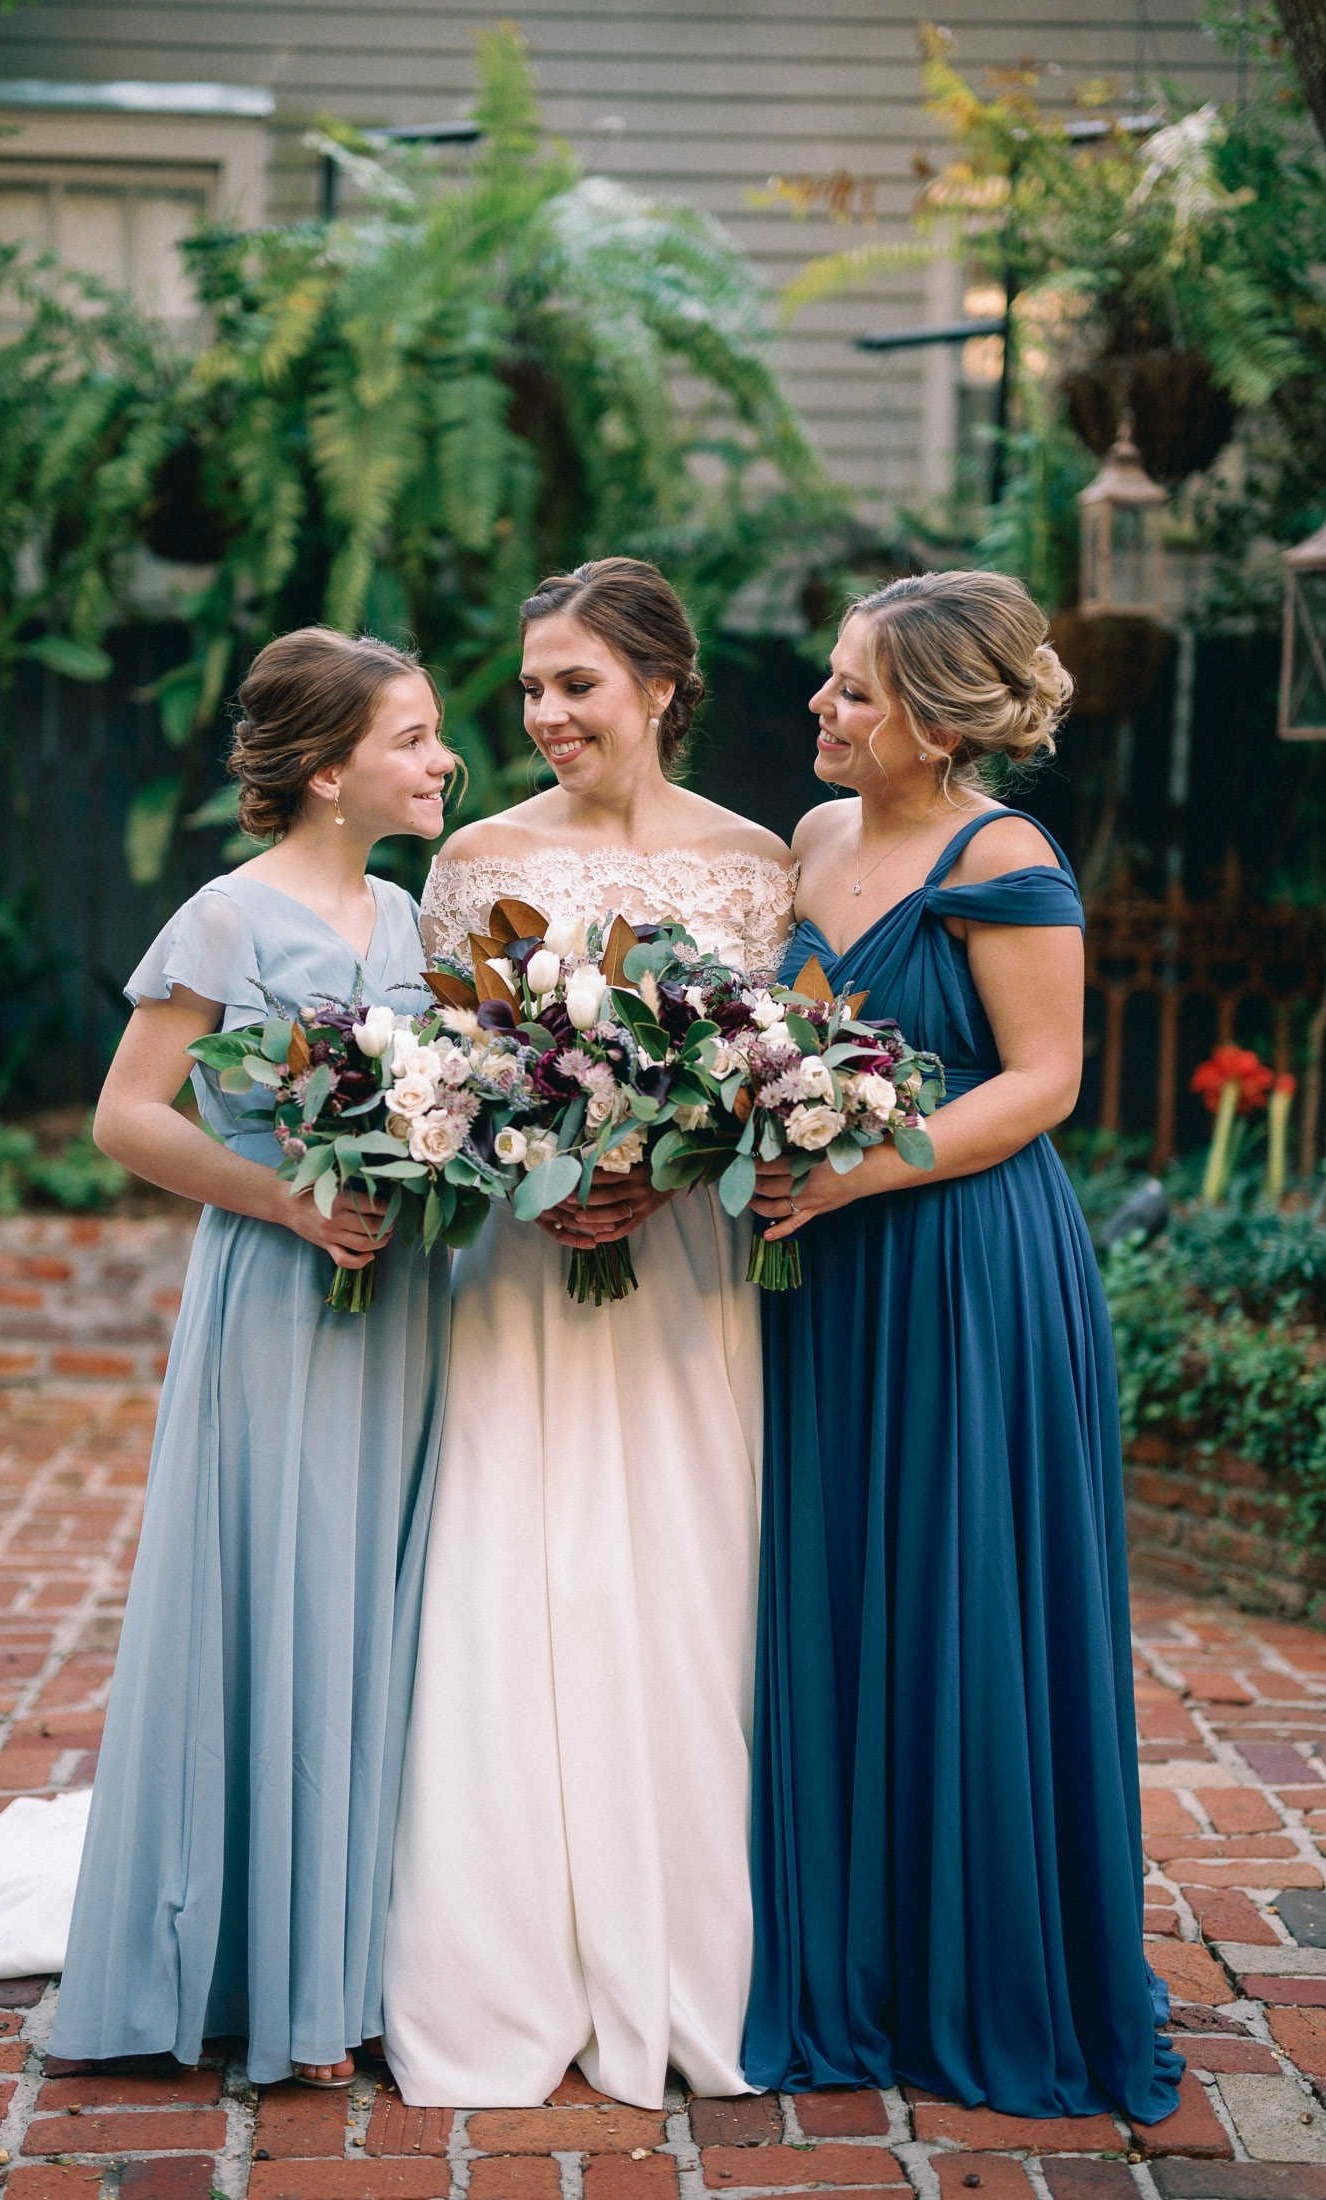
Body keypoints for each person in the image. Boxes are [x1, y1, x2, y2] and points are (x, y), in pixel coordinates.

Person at [741, 569, 1183, 2122]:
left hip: (961, 1261)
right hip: (824, 1271)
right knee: (840, 1580)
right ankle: (850, 1934)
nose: (820, 707)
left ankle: (977, 1961)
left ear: (933, 721)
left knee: (957, 1582)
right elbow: (790, 1035)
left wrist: (855, 1168)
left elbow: (1042, 1084)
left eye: (852, 691)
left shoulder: (1008, 856)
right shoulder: (813, 841)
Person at [382, 557, 795, 2108]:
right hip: (518, 1266)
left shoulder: (759, 866)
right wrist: (529, 1160)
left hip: (685, 1275)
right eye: (532, 686)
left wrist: (659, 1161)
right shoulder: (477, 857)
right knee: (516, 1571)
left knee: (685, 1583)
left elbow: (768, 1072)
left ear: (662, 687)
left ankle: (686, 1947)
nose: (544, 714)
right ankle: (497, 1957)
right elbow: (433, 1072)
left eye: (578, 686)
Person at [49, 629, 458, 2088]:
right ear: (327, 769)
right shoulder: (228, 917)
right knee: (274, 1592)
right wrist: (295, 1198)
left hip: (404, 1303)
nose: (441, 759)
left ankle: (342, 1957)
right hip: (283, 1300)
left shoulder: (409, 920)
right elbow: (129, 1117)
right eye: (411, 738)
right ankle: (257, 1974)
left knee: (363, 1604)